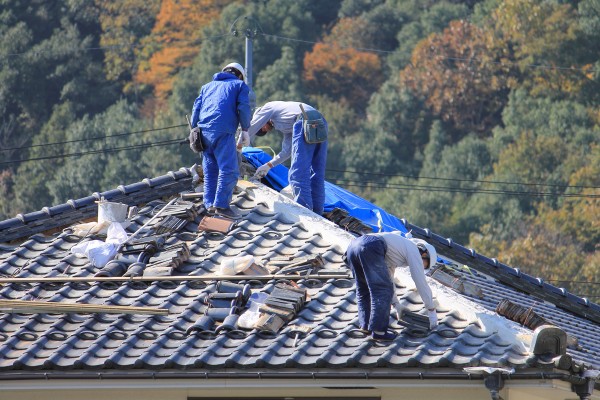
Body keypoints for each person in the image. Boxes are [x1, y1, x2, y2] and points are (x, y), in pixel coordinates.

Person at [343, 232, 438, 342]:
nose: (421, 266)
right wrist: (431, 309)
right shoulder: (413, 250)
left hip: (353, 247)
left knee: (363, 288)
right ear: (424, 254)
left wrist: (396, 304)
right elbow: (420, 280)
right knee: (381, 290)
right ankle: (379, 332)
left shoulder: (395, 250)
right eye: (423, 264)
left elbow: (389, 279)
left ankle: (365, 325)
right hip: (370, 246)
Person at [190, 62, 251, 218]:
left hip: (203, 133)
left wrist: (193, 128)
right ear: (239, 75)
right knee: (229, 169)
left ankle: (209, 204)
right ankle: (222, 206)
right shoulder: (239, 86)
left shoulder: (207, 86)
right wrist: (245, 129)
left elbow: (196, 109)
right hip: (223, 131)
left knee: (210, 170)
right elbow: (243, 107)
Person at [247, 101, 328, 215]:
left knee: (297, 174)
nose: (266, 129)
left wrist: (239, 145)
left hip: (304, 120)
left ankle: (306, 213)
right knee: (316, 173)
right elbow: (286, 152)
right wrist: (268, 165)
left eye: (262, 128)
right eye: (264, 131)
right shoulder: (285, 121)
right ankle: (318, 213)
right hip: (319, 121)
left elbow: (250, 128)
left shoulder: (267, 108)